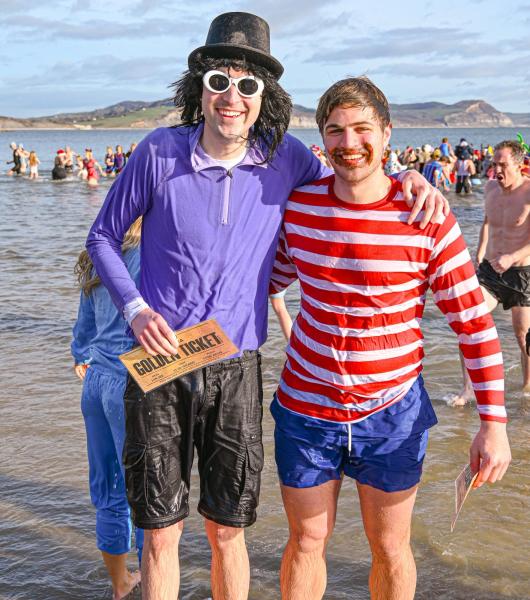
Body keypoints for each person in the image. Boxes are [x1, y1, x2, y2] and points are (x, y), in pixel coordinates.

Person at [85, 12, 447, 599]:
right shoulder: (158, 152)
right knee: (160, 533)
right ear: (200, 87)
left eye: (247, 84)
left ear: (263, 96)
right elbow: (102, 237)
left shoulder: (287, 158)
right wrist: (135, 309)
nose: (232, 97)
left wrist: (410, 177)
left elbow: (353, 173)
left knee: (229, 531)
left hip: (236, 364)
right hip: (161, 362)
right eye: (219, 82)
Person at [269, 76, 511, 600]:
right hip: (306, 409)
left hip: (392, 412)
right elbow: (263, 279)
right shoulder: (300, 208)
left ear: (386, 133)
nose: (349, 143)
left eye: (362, 129)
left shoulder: (427, 217)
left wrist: (494, 424)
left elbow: (473, 323)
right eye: (335, 130)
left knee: (390, 546)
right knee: (306, 540)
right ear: (321, 138)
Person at [71, 219, 144, 600]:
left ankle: (120, 584)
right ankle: (154, 582)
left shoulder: (98, 253)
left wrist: (80, 355)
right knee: (148, 493)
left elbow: (83, 329)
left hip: (96, 381)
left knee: (109, 487)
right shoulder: (153, 253)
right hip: (131, 383)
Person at [453, 140, 530, 404]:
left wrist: (513, 257)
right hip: (491, 270)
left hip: (522, 273)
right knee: (467, 321)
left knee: (524, 335)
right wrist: (478, 253)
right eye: (494, 164)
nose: (496, 170)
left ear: (518, 164)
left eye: (502, 165)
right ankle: (467, 389)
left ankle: (527, 390)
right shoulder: (489, 188)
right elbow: (488, 222)